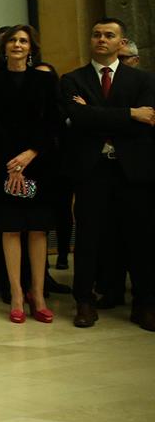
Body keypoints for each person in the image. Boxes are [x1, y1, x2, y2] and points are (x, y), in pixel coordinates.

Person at [60, 17, 155, 330]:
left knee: (139, 239)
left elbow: (148, 121)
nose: (101, 39)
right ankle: (84, 302)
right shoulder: (73, 80)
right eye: (96, 34)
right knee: (88, 239)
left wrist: (94, 114)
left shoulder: (142, 81)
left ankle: (144, 304)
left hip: (132, 170)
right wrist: (129, 114)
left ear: (121, 43)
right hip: (92, 170)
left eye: (109, 35)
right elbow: (78, 118)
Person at [0, 25, 62, 323]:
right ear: (3, 47)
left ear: (31, 48)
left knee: (38, 230)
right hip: (4, 163)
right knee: (11, 228)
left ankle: (37, 295)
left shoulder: (44, 80)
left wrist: (29, 155)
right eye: (12, 40)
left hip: (39, 163)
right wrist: (13, 165)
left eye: (23, 41)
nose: (17, 44)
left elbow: (53, 123)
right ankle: (16, 294)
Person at [33, 62, 74, 275]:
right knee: (40, 215)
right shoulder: (27, 102)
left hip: (61, 164)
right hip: (36, 167)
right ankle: (42, 262)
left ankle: (63, 254)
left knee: (63, 210)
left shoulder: (62, 103)